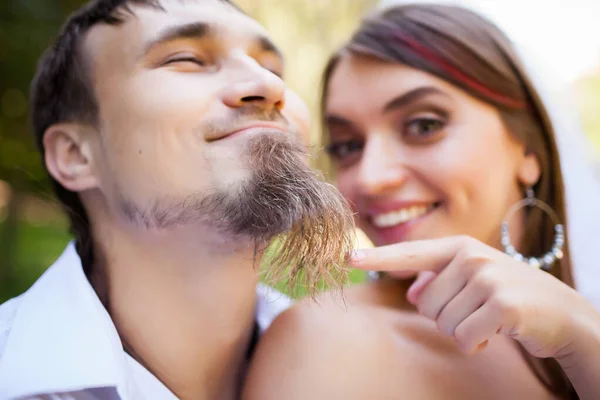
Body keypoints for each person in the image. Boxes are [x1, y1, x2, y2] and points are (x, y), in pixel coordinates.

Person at [242, 4, 600, 400]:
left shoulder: (585, 312)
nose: (370, 178)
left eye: (424, 125)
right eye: (347, 146)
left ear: (528, 149)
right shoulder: (327, 343)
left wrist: (582, 339)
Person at [0, 0, 355, 398]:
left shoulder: (369, 372)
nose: (270, 87)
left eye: (273, 69)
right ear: (76, 155)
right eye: (186, 59)